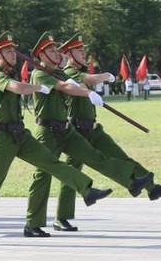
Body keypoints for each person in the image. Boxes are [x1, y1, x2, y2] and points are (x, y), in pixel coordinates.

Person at [0, 31, 112, 246]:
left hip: (20, 134)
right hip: (2, 137)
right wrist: (39, 87)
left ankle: (85, 190)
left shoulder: (11, 73)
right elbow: (17, 88)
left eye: (13, 50)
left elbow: (64, 84)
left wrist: (84, 90)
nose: (13, 54)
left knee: (51, 163)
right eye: (8, 50)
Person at [24, 32, 153, 237]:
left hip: (65, 129)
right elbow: (66, 87)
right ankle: (33, 223)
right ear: (40, 55)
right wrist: (88, 93)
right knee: (43, 176)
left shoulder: (59, 72)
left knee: (94, 156)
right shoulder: (40, 74)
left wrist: (87, 89)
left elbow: (76, 83)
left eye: (56, 49)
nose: (56, 53)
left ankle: (132, 180)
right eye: (50, 50)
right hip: (47, 131)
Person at [53, 33, 161, 231]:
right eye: (79, 50)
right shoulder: (69, 72)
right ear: (69, 54)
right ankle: (61, 217)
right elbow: (91, 79)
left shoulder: (79, 71)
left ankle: (151, 187)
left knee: (121, 156)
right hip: (76, 131)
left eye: (84, 49)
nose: (83, 53)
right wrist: (107, 76)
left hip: (93, 128)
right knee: (72, 175)